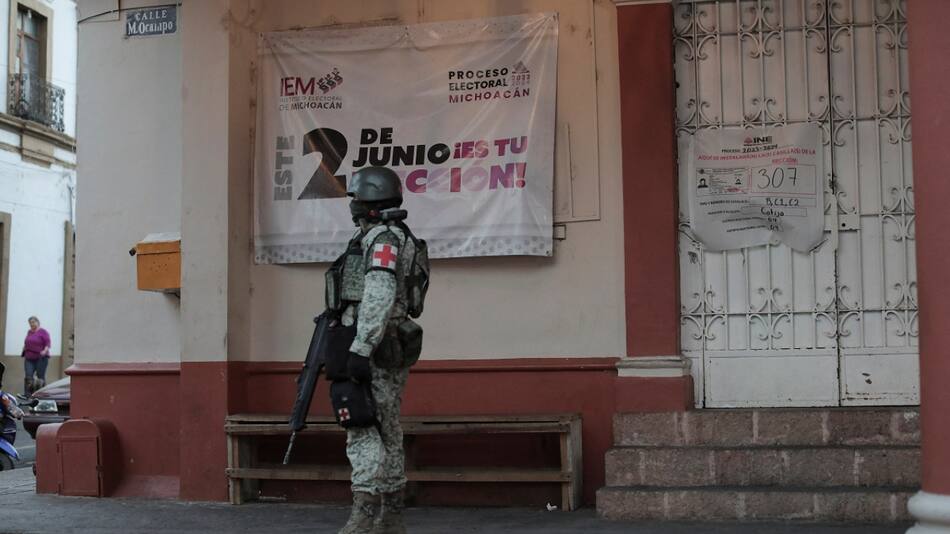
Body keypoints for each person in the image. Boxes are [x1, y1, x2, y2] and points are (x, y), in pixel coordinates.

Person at [336, 167, 417, 534]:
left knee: (363, 426)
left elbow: (379, 294)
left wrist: (361, 347)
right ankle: (392, 515)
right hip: (387, 343)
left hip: (373, 347)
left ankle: (364, 515)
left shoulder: (383, 238)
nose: (352, 204)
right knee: (388, 428)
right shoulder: (392, 234)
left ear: (370, 199)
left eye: (355, 197)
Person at [22, 316, 51, 395]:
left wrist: (45, 351)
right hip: (29, 357)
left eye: (33, 322)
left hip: (41, 358)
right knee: (28, 376)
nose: (32, 324)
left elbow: (47, 343)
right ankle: (27, 395)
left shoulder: (43, 332)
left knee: (40, 376)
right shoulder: (29, 332)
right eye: (30, 323)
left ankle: (41, 394)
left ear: (38, 322)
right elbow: (27, 342)